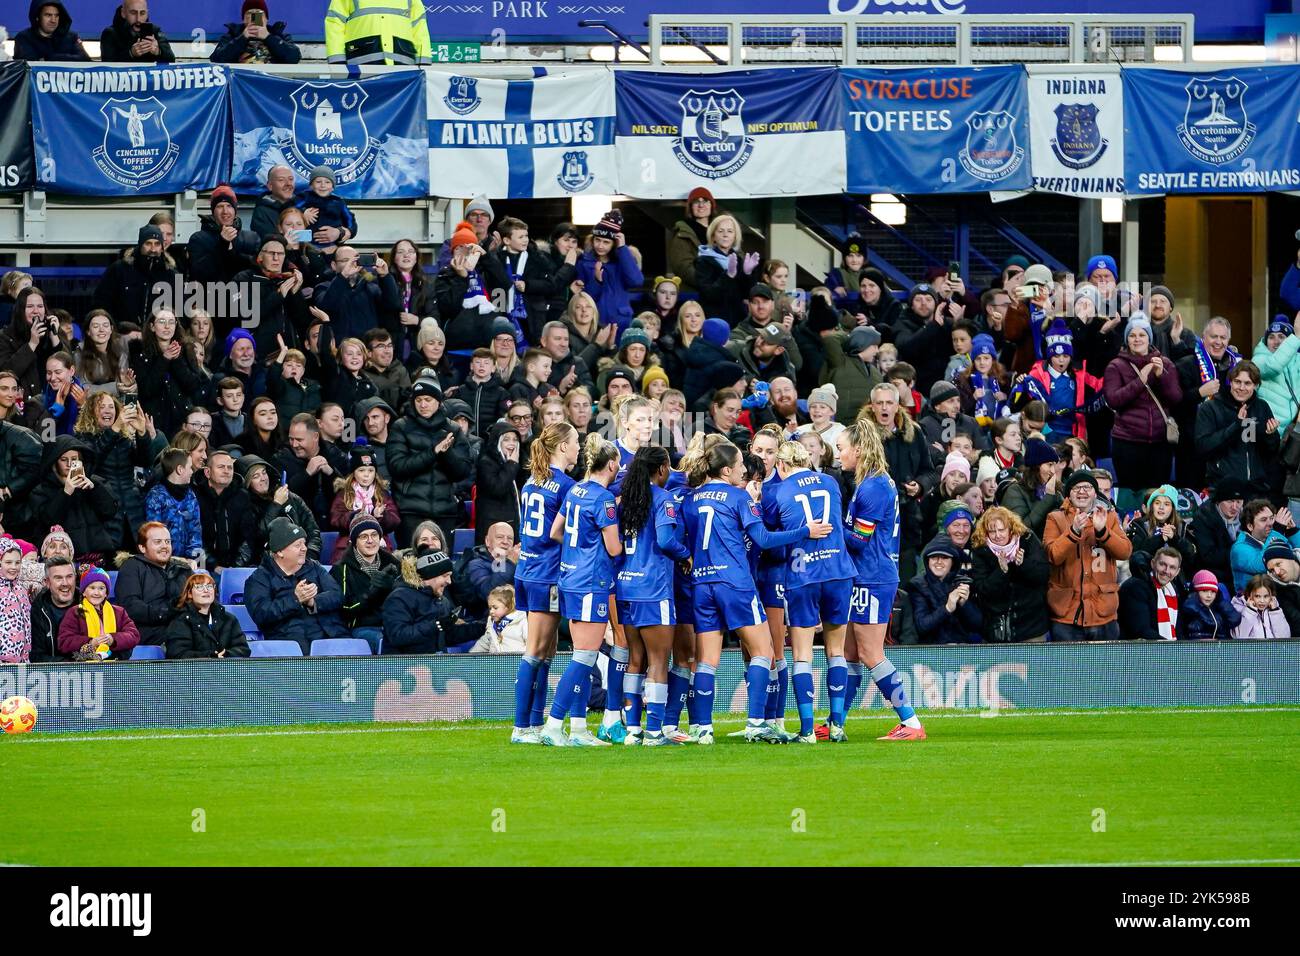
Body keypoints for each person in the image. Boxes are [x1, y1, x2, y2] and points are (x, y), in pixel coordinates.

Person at [678, 440, 829, 746]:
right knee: (763, 652)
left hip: (701, 583)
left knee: (707, 659)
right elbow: (762, 538)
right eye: (740, 466)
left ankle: (702, 728)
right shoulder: (738, 497)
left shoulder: (691, 499)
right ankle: (756, 723)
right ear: (726, 470)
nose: (745, 469)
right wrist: (805, 531)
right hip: (735, 582)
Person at [537, 435, 627, 747]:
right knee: (583, 659)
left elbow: (555, 532)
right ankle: (553, 725)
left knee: (582, 657)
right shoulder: (603, 499)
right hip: (592, 583)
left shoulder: (574, 489)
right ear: (612, 464)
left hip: (569, 580)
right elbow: (614, 548)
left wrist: (580, 548)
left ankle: (577, 730)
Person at [767, 439, 856, 743]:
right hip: (838, 571)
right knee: (836, 651)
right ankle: (837, 726)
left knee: (803, 655)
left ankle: (807, 730)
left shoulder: (779, 491)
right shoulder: (831, 481)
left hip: (802, 573)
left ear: (782, 464)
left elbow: (771, 534)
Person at [612, 445, 692, 746]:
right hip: (653, 589)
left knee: (635, 659)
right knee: (659, 660)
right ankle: (655, 732)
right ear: (661, 470)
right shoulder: (664, 499)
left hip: (625, 587)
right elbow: (666, 540)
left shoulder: (625, 503)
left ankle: (633, 730)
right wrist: (687, 555)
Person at [509, 422, 580, 743]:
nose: (578, 448)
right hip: (547, 573)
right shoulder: (565, 486)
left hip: (528, 570)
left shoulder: (531, 483)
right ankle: (521, 726)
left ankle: (535, 723)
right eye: (576, 442)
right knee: (536, 650)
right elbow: (563, 532)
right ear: (562, 447)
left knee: (547, 650)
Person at [1043, 470, 1132, 641]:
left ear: (1095, 492)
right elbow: (1053, 555)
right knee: (1068, 668)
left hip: (1103, 613)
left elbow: (1125, 551)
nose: (1082, 492)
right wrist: (1074, 531)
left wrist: (1103, 531)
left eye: (1087, 487)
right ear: (1069, 492)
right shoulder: (1055, 518)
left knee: (1105, 667)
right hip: (1067, 615)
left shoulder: (1110, 517)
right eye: (1076, 488)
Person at [386, 378, 473, 544]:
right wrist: (433, 452)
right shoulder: (401, 427)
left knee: (441, 564)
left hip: (445, 512)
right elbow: (397, 467)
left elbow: (462, 471)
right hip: (410, 512)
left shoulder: (453, 429)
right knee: (410, 564)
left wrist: (445, 453)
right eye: (418, 400)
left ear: (438, 401)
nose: (423, 405)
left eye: (428, 400)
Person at [1103, 314, 1183, 492]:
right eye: (1132, 335)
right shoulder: (1115, 366)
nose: (1137, 339)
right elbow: (1114, 400)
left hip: (1159, 444)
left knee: (1157, 495)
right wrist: (1142, 379)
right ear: (1127, 340)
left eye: (1142, 335)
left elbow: (1176, 398)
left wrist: (1162, 376)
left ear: (1149, 338)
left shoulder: (1166, 363)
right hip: (1127, 443)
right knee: (1130, 496)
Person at [245, 516, 348, 654]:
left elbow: (337, 595)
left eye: (304, 543)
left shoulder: (314, 567)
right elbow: (261, 614)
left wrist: (313, 602)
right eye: (297, 545)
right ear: (280, 551)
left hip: (331, 636)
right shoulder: (259, 579)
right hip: (289, 645)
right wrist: (295, 599)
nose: (304, 548)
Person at [867, 382, 936, 579]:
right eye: (879, 403)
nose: (884, 407)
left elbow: (929, 472)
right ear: (872, 406)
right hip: (874, 521)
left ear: (897, 406)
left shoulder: (914, 433)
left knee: (904, 582)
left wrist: (920, 486)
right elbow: (850, 475)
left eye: (889, 402)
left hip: (907, 521)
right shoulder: (862, 435)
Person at [1195, 360, 1281, 500]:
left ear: (1256, 385)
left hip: (1256, 491)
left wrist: (1270, 435)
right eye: (1237, 382)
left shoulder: (1262, 407)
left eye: (1247, 383)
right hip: (1222, 490)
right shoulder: (1210, 407)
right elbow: (1203, 447)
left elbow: (1271, 452)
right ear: (1230, 382)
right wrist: (1237, 425)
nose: (1241, 388)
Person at [26, 435, 120, 563]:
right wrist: (65, 492)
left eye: (74, 459)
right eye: (64, 459)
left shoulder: (95, 482)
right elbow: (46, 522)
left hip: (98, 556)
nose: (69, 464)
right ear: (54, 461)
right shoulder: (41, 490)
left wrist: (94, 489)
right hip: (62, 559)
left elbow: (110, 512)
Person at [969, 506, 1050, 642]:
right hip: (996, 631)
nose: (997, 535)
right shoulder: (980, 550)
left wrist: (1023, 565)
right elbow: (983, 589)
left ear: (1010, 529)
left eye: (1001, 530)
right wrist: (1002, 571)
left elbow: (1043, 575)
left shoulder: (1028, 540)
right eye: (992, 531)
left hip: (1031, 627)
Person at [331, 513, 402, 654]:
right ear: (354, 541)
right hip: (362, 627)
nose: (370, 540)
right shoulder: (341, 569)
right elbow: (344, 609)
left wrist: (393, 587)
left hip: (394, 624)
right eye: (364, 536)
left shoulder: (394, 564)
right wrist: (371, 594)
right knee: (385, 641)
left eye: (374, 535)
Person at [235, 454, 322, 566]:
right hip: (266, 566)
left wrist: (309, 556)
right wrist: (276, 505)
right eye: (256, 476)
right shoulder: (244, 506)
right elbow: (257, 538)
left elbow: (313, 530)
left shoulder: (290, 497)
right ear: (247, 482)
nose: (263, 478)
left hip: (302, 561)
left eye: (264, 472)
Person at [114, 521, 191, 647]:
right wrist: (166, 612)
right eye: (158, 542)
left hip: (183, 627)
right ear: (142, 547)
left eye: (167, 541)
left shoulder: (183, 569)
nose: (164, 546)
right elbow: (130, 607)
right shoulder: (132, 567)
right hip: (149, 632)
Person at [132, 309, 206, 439]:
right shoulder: (140, 354)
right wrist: (164, 359)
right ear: (152, 327)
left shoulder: (187, 350)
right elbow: (147, 389)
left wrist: (176, 360)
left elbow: (193, 386)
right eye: (162, 322)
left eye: (171, 322)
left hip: (182, 420)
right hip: (154, 422)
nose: (167, 326)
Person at [93, 225, 176, 329]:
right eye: (148, 243)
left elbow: (179, 312)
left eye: (157, 244)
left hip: (158, 338)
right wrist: (119, 328)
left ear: (162, 247)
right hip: (122, 336)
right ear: (140, 245)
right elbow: (101, 304)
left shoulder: (171, 275)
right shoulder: (119, 269)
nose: (153, 249)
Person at [575, 211, 642, 334]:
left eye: (606, 242)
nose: (600, 245)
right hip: (595, 322)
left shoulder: (623, 261)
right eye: (597, 240)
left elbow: (636, 281)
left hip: (621, 321)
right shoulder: (584, 262)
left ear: (614, 244)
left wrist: (622, 248)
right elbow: (585, 298)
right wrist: (597, 280)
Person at [908, 535, 982, 645]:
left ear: (953, 562)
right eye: (934, 557)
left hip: (961, 649)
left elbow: (978, 625)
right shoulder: (917, 586)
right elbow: (921, 626)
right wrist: (947, 608)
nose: (939, 562)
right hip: (929, 651)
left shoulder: (964, 583)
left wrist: (964, 605)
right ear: (927, 561)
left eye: (944, 558)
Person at [379, 546, 455, 653]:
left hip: (436, 663)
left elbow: (449, 636)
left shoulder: (442, 601)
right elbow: (397, 636)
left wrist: (481, 627)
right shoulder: (399, 598)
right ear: (430, 575)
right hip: (401, 665)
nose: (449, 581)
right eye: (445, 575)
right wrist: (436, 625)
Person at [164, 571, 250, 659]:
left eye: (209, 586)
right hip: (194, 671)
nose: (206, 590)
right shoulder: (180, 621)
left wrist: (226, 654)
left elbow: (243, 649)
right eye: (199, 587)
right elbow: (177, 654)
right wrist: (210, 656)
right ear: (189, 593)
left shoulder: (229, 619)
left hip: (226, 670)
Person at [695, 214, 758, 328]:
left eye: (730, 231)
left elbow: (748, 294)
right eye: (721, 231)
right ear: (713, 235)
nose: (725, 235)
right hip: (715, 322)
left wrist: (748, 274)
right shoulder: (703, 261)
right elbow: (710, 294)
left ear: (735, 236)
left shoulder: (738, 260)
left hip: (738, 322)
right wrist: (728, 276)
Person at [188, 185, 259, 285]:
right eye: (220, 206)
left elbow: (258, 269)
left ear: (235, 209)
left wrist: (231, 252)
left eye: (229, 206)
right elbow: (199, 273)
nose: (225, 211)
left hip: (244, 296)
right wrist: (222, 245)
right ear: (213, 211)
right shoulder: (198, 239)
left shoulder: (251, 238)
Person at [324, 0, 432, 66]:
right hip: (360, 65)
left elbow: (419, 26)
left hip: (403, 67)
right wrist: (337, 59)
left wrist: (423, 60)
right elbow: (335, 22)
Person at [1229, 499, 1300, 593]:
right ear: (1250, 526)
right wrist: (1278, 531)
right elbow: (1262, 565)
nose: (1270, 523)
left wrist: (1292, 533)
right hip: (1253, 601)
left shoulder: (1275, 536)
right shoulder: (1239, 549)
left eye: (1271, 518)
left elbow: (1296, 557)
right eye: (1263, 520)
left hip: (1283, 592)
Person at [1117, 547, 1187, 641]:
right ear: (1153, 563)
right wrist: (1171, 648)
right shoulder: (1135, 587)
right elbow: (1141, 630)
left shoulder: (1173, 591)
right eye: (1162, 564)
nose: (1166, 571)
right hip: (1137, 651)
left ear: (1177, 572)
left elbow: (1178, 630)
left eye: (1172, 567)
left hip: (1163, 648)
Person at [820, 325, 883, 426]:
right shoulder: (840, 361)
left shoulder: (876, 372)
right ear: (863, 343)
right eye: (874, 346)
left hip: (868, 428)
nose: (877, 351)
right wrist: (851, 336)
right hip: (842, 427)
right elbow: (831, 339)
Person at [1126, 484, 1196, 570]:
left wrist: (1174, 538)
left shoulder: (1182, 526)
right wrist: (1160, 538)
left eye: (1166, 504)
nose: (1161, 507)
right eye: (1157, 503)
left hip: (1174, 578)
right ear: (1151, 506)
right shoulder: (1139, 524)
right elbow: (1136, 555)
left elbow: (1191, 556)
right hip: (1146, 575)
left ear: (1172, 508)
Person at [1191, 477, 1246, 586]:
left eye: (1238, 502)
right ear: (1219, 501)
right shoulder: (1204, 517)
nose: (1235, 507)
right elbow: (1208, 556)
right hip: (1215, 575)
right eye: (1230, 501)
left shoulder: (1248, 516)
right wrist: (1240, 551)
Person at [211, 0, 301, 63]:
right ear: (243, 19)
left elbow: (294, 57)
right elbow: (216, 58)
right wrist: (242, 38)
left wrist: (268, 37)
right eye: (250, 13)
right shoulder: (232, 35)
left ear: (266, 19)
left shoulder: (279, 34)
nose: (254, 17)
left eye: (258, 13)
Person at [28, 556, 79, 663]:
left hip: (89, 672)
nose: (65, 583)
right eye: (58, 578)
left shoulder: (89, 603)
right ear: (47, 582)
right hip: (50, 675)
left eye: (69, 576)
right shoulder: (38, 609)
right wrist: (70, 665)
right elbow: (37, 656)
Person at [666, 187, 716, 293]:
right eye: (696, 201)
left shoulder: (720, 229)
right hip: (695, 293)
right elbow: (682, 266)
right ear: (690, 207)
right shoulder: (682, 233)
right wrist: (708, 282)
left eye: (705, 201)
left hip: (721, 291)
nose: (701, 205)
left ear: (711, 205)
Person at [99, 0, 174, 62]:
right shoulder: (110, 34)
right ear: (123, 13)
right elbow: (107, 64)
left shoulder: (155, 31)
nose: (138, 19)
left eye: (142, 13)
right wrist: (131, 53)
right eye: (133, 13)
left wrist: (158, 51)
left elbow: (171, 59)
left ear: (147, 14)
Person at [14, 2, 91, 60]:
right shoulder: (24, 38)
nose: (53, 20)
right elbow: (28, 64)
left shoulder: (71, 37)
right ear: (37, 17)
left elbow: (84, 59)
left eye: (56, 15)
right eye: (48, 15)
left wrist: (49, 57)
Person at [1180, 570, 1241, 640]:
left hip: (1219, 648)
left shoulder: (1218, 606)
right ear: (1195, 592)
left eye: (1213, 592)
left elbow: (1235, 619)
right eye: (1204, 591)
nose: (1209, 595)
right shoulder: (1189, 609)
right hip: (1196, 648)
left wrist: (1221, 601)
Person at [0, 538, 32, 663]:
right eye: (8, 562)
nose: (14, 567)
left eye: (17, 562)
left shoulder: (21, 590)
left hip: (22, 661)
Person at [470, 585, 528, 654]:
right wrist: (471, 658)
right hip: (497, 663)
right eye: (490, 608)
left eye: (495, 608)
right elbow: (484, 643)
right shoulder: (492, 624)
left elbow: (531, 646)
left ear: (509, 606)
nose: (491, 611)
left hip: (517, 663)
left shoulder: (523, 621)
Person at [1231, 575, 1291, 640]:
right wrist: (1250, 611)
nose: (1262, 601)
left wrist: (1275, 612)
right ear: (1249, 595)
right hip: (1251, 650)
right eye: (1257, 596)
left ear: (1272, 596)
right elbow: (1239, 638)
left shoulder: (1275, 609)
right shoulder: (1239, 607)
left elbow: (1285, 638)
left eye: (1266, 596)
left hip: (1272, 650)